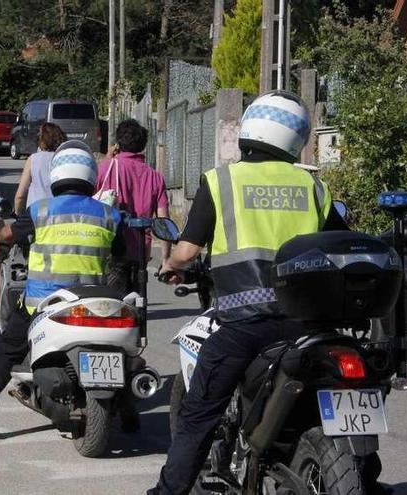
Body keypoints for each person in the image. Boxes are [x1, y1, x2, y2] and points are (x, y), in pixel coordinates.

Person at [149, 91, 348, 494]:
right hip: (306, 325)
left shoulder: (222, 180)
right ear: (297, 137)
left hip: (245, 323)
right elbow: (339, 246)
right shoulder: (313, 186)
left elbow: (186, 251)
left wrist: (170, 267)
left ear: (249, 129)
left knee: (198, 415)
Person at [0, 140, 127, 438]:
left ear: (56, 174)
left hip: (42, 303)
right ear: (91, 175)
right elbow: (121, 256)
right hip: (93, 303)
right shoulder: (109, 214)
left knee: (6, 350)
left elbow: (7, 235)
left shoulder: (39, 211)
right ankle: (128, 411)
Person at [96, 119, 170, 292]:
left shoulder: (104, 169)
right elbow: (163, 220)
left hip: (109, 249)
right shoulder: (155, 177)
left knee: (110, 307)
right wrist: (166, 258)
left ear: (117, 143)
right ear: (143, 145)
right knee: (137, 305)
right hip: (140, 253)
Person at [13, 123, 67, 215]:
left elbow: (20, 195)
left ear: (42, 139)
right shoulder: (64, 159)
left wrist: (17, 214)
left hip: (36, 213)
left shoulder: (33, 159)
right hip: (58, 213)